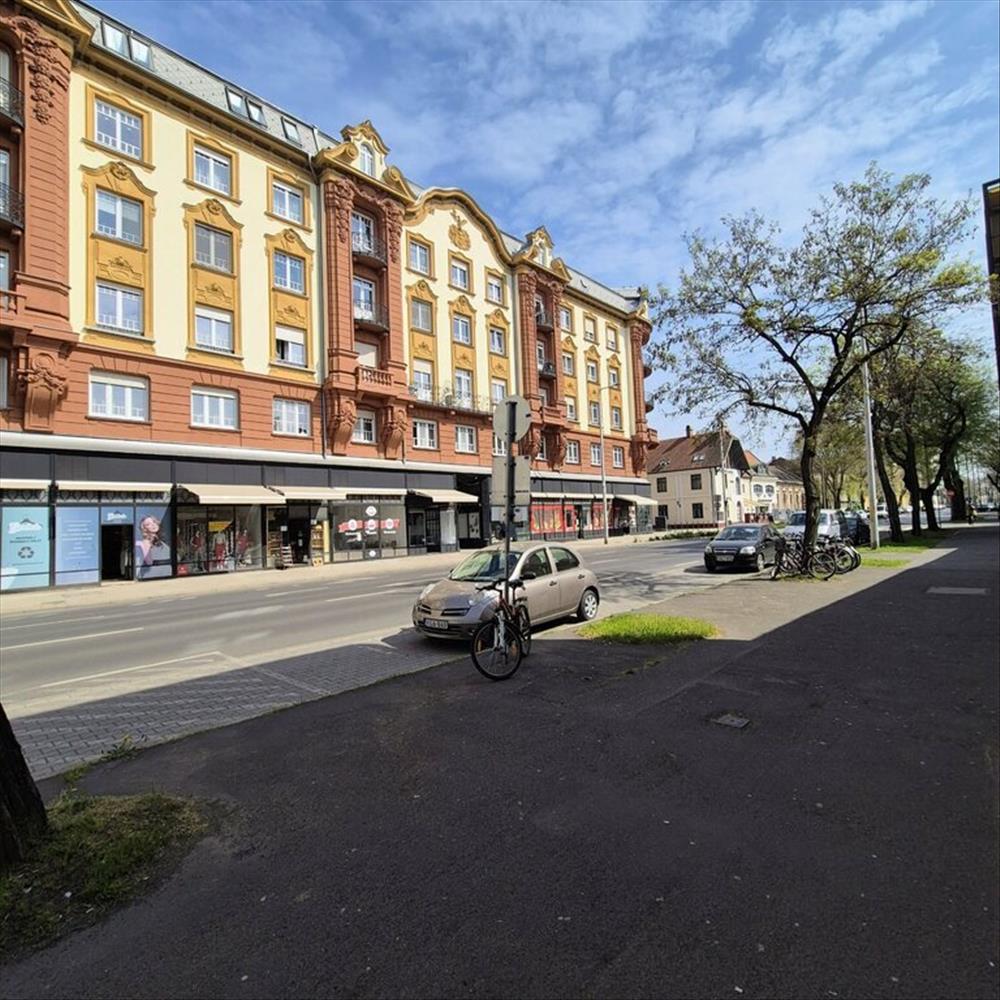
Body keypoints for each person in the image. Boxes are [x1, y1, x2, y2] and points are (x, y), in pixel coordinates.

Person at [135, 514, 171, 579]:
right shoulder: (146, 542)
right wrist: (142, 545)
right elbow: (149, 562)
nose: (153, 525)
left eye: (154, 522)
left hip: (165, 571)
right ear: (144, 529)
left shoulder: (160, 540)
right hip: (155, 573)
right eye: (148, 524)